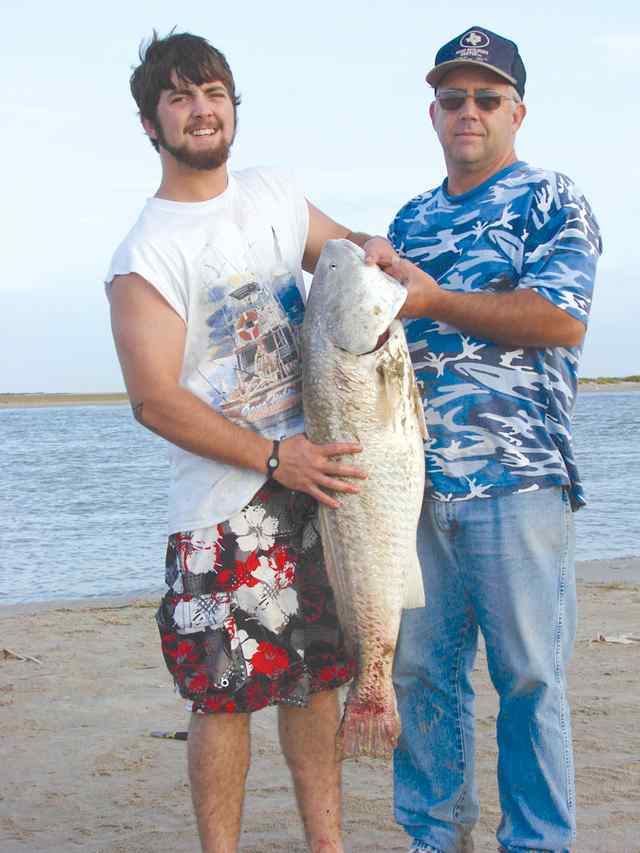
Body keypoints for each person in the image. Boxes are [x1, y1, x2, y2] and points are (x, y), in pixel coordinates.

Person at [106, 31, 377, 853]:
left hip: (318, 482)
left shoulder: (274, 194)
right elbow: (154, 401)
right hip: (225, 504)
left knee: (316, 682)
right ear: (151, 123)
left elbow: (345, 254)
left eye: (214, 92)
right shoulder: (144, 253)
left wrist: (376, 250)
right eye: (181, 97)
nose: (201, 109)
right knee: (222, 694)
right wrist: (268, 454)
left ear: (232, 106)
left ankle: (326, 844)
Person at [364, 25, 601, 853]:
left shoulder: (552, 198)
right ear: (433, 113)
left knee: (531, 679)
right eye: (453, 98)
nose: (469, 111)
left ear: (517, 111)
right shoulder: (411, 219)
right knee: (422, 675)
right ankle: (435, 838)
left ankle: (537, 844)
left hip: (520, 481)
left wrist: (435, 301)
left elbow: (560, 320)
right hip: (412, 493)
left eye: (487, 98)